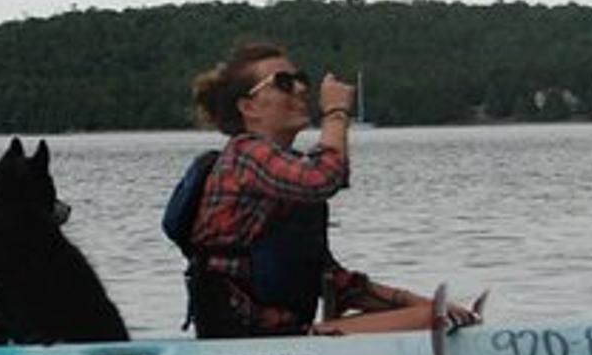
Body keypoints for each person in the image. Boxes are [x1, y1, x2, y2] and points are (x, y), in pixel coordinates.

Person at [181, 41, 477, 339]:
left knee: (430, 315)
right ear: (249, 107)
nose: (299, 89)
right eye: (283, 83)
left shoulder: (286, 174)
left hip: (286, 337)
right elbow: (324, 178)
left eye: (301, 80)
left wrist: (426, 304)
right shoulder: (245, 155)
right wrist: (336, 112)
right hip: (248, 341)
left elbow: (334, 282)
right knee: (429, 319)